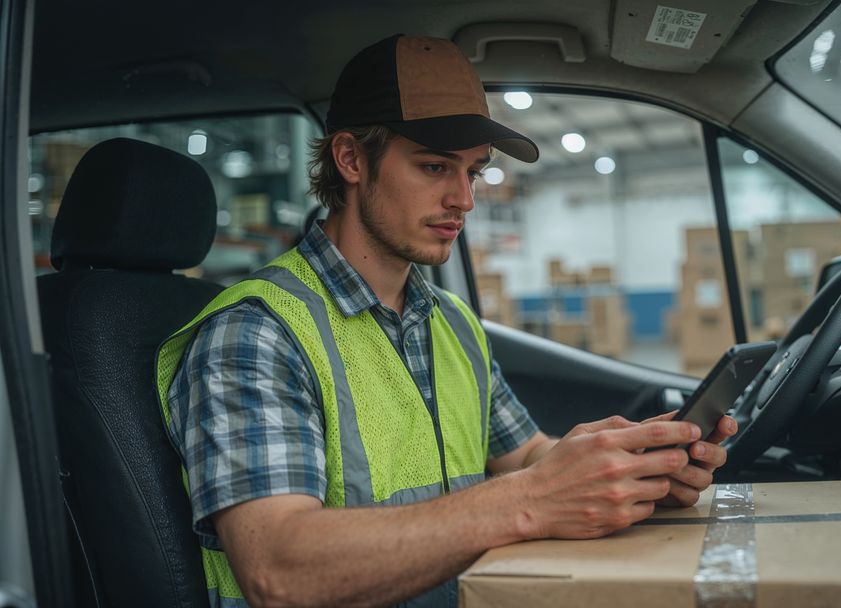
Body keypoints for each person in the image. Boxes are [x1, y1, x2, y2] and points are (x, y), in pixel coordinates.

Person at [156, 34, 738, 608]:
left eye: (474, 173)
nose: (464, 199)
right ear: (351, 159)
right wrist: (529, 499)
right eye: (435, 167)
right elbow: (279, 571)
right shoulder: (256, 334)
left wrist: (628, 474)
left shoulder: (450, 320)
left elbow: (527, 454)